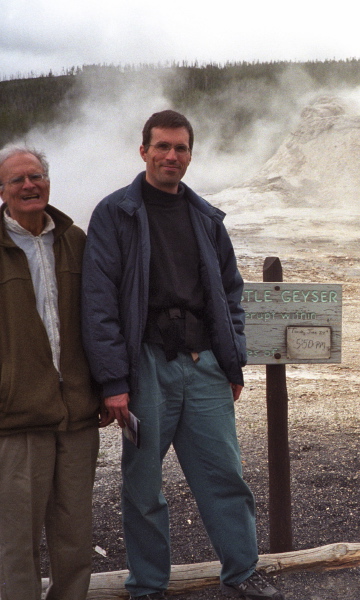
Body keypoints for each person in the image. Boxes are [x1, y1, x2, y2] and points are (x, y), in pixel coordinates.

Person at [81, 110, 284, 600]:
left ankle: (242, 570)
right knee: (144, 483)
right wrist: (113, 382)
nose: (171, 156)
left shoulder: (206, 217)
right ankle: (148, 584)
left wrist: (231, 359)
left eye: (181, 148)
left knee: (224, 474)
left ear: (190, 154)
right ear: (143, 150)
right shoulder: (116, 214)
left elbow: (231, 294)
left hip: (205, 364)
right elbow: (99, 302)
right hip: (147, 364)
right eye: (162, 146)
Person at [0, 146, 104, 600]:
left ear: (48, 182)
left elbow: (102, 320)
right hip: (18, 416)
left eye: (37, 176)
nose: (29, 185)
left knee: (74, 536)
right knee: (16, 541)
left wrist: (105, 388)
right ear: (1, 190)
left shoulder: (74, 240)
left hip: (77, 412)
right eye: (18, 179)